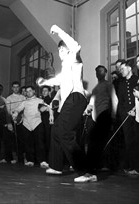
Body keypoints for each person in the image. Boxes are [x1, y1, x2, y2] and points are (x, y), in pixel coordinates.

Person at [37, 25, 96, 183]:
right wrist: (45, 82)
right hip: (69, 101)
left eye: (61, 50)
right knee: (56, 130)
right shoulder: (65, 68)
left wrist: (58, 30)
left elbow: (75, 45)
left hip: (76, 98)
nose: (60, 54)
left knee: (64, 133)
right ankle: (56, 166)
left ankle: (86, 172)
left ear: (67, 50)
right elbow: (58, 80)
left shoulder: (74, 58)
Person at [84, 65, 118, 172]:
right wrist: (87, 110)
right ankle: (97, 164)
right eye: (97, 72)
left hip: (105, 116)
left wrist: (113, 116)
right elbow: (92, 102)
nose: (99, 73)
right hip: (96, 118)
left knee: (105, 140)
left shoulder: (109, 85)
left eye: (101, 71)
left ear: (105, 73)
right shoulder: (95, 88)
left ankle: (106, 165)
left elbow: (114, 100)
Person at [12, 86, 52, 168]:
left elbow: (47, 107)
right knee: (28, 143)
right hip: (26, 124)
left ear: (34, 91)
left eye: (30, 91)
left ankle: (42, 161)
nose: (28, 92)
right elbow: (18, 109)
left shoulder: (40, 100)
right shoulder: (24, 102)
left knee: (40, 143)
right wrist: (15, 113)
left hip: (37, 123)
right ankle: (30, 160)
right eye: (27, 91)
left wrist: (46, 109)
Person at [117, 61, 138, 172]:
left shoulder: (137, 80)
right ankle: (131, 166)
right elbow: (121, 101)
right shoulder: (121, 83)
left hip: (137, 115)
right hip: (126, 116)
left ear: (129, 68)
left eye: (123, 69)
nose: (121, 71)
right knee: (128, 141)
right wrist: (124, 113)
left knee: (138, 140)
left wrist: (135, 111)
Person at [6, 81, 26, 164]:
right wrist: (9, 123)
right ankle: (14, 158)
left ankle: (22, 159)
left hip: (22, 120)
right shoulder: (9, 98)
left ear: (19, 87)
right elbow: (7, 112)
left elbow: (25, 109)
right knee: (13, 140)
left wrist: (20, 117)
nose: (16, 88)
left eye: (17, 87)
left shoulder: (23, 97)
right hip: (12, 120)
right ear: (12, 88)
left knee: (22, 140)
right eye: (14, 87)